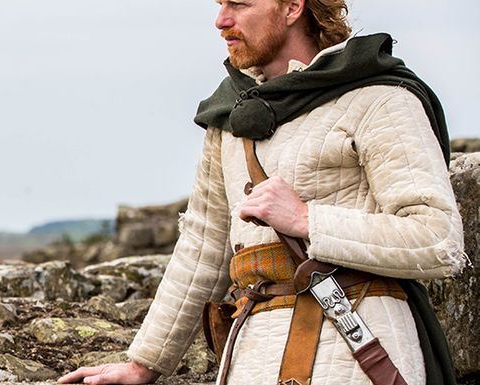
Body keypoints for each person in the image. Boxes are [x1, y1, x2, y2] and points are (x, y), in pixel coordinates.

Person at [58, 0, 468, 384]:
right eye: (220, 4)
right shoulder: (232, 116)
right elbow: (203, 245)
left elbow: (438, 239)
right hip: (252, 352)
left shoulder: (379, 99)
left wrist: (307, 220)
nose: (221, 20)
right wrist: (143, 363)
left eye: (239, 3)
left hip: (356, 346)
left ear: (292, 7)